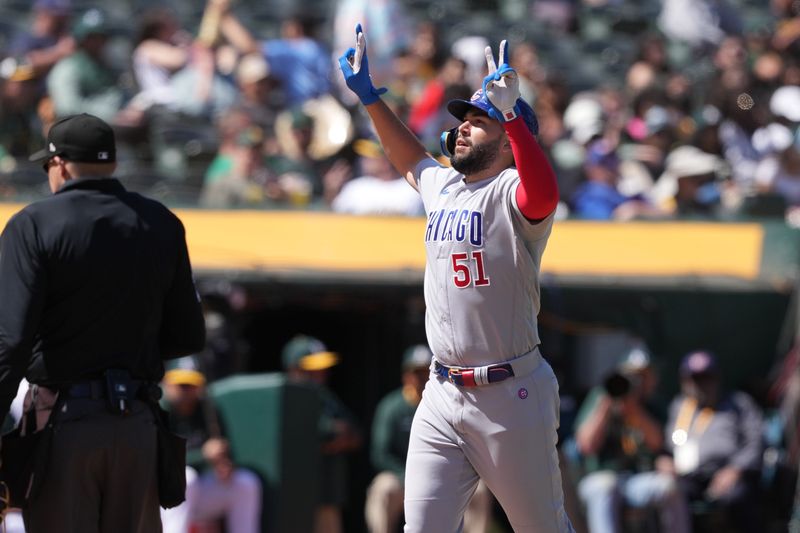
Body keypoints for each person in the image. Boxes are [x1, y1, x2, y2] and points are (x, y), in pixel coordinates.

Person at [339, 25, 574, 532]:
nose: (464, 126)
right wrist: (371, 99)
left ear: (512, 142)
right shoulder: (445, 185)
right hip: (442, 391)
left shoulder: (513, 188)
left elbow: (544, 196)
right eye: (463, 119)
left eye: (478, 120)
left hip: (511, 394)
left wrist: (511, 113)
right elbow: (408, 158)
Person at [0, 112, 206, 531]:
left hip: (64, 424)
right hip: (138, 426)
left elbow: (11, 341)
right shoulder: (162, 222)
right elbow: (188, 334)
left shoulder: (35, 223)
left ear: (59, 164)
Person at [365, 345, 493, 533]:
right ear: (406, 375)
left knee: (480, 491)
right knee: (383, 488)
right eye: (416, 372)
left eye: (426, 371)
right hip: (402, 476)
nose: (421, 377)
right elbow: (380, 454)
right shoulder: (392, 407)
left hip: (444, 473)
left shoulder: (449, 404)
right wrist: (407, 477)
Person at [573, 346, 690, 533]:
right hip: (602, 477)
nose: (636, 381)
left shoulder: (652, 403)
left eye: (643, 376)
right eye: (632, 375)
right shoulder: (601, 397)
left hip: (640, 479)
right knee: (605, 487)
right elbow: (585, 445)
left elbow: (658, 442)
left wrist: (634, 410)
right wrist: (606, 406)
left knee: (670, 487)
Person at [660, 350, 764, 532]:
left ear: (717, 377)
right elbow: (667, 446)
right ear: (685, 381)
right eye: (695, 378)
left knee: (738, 497)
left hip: (727, 474)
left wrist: (735, 469)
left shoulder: (738, 403)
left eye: (706, 377)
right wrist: (664, 460)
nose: (701, 384)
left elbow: (756, 442)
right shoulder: (679, 407)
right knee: (666, 493)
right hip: (688, 477)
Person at [160, 356, 262, 533]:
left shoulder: (207, 409)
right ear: (166, 383)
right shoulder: (158, 410)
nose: (187, 391)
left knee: (245, 482)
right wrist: (203, 455)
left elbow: (225, 452)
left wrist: (223, 466)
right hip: (160, 497)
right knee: (187, 477)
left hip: (196, 494)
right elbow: (161, 462)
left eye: (191, 385)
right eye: (181, 385)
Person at [282, 335, 363, 533]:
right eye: (312, 369)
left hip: (326, 492)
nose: (321, 373)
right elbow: (307, 435)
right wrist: (329, 434)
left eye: (321, 368)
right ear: (295, 370)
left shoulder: (325, 396)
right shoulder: (286, 396)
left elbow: (356, 433)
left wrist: (337, 437)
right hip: (295, 494)